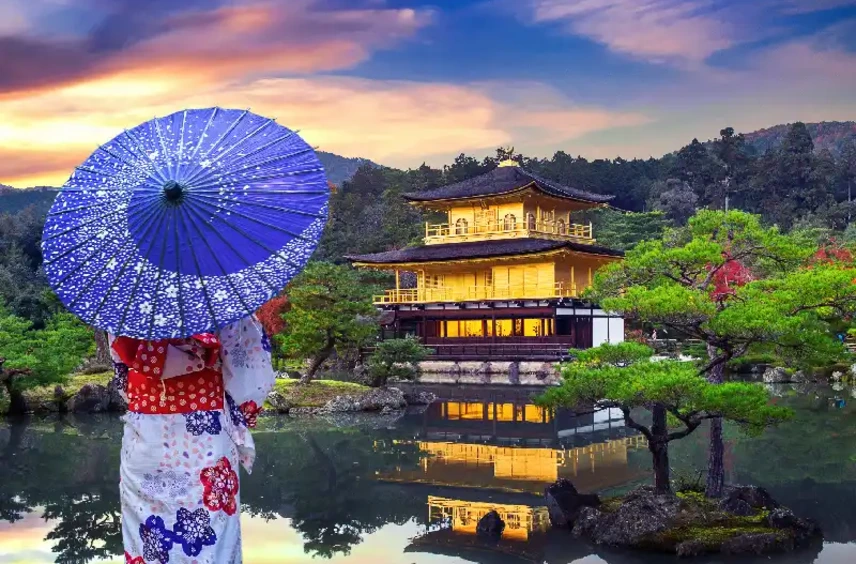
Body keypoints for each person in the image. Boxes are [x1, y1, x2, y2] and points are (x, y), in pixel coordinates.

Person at [109, 315, 275, 564]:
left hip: (145, 437)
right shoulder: (219, 301)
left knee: (149, 542)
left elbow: (123, 376)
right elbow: (251, 376)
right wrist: (240, 414)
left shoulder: (126, 303)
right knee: (212, 538)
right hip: (206, 437)